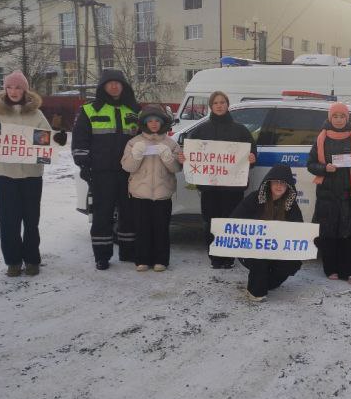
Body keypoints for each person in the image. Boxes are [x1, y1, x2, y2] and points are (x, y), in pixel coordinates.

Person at [0, 70, 67, 276]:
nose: (13, 91)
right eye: (9, 87)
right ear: (5, 89)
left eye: (18, 87)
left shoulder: (36, 114)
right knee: (9, 221)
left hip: (32, 176)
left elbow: (46, 141)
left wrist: (58, 139)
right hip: (6, 175)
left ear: (25, 90)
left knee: (31, 221)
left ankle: (32, 260)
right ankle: (13, 261)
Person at [71, 69, 140, 270]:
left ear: (124, 86)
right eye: (110, 83)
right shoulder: (89, 110)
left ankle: (128, 251)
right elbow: (80, 140)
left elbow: (146, 138)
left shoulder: (134, 110)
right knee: (102, 215)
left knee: (129, 213)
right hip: (102, 173)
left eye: (118, 83)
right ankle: (102, 256)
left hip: (129, 173)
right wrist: (84, 165)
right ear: (103, 86)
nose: (114, 86)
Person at [184, 91, 256, 269]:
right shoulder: (201, 130)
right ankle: (215, 258)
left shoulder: (240, 130)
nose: (219, 105)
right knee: (211, 222)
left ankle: (228, 257)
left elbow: (252, 154)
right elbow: (191, 154)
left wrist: (252, 158)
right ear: (211, 106)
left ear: (227, 105)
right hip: (210, 188)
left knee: (230, 222)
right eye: (215, 103)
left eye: (222, 102)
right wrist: (184, 157)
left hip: (233, 188)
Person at [121, 105, 183, 273]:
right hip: (140, 194)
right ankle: (142, 260)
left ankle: (161, 260)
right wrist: (136, 155)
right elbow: (127, 167)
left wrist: (168, 157)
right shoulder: (133, 142)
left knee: (161, 228)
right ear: (144, 123)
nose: (154, 124)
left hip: (163, 194)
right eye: (150, 121)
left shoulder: (170, 143)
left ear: (163, 123)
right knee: (142, 228)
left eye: (157, 120)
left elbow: (177, 168)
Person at [308, 102, 351, 285]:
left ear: (347, 118)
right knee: (328, 232)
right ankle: (330, 268)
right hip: (327, 193)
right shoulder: (321, 138)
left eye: (342, 116)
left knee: (348, 233)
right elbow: (310, 164)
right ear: (330, 118)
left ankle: (349, 270)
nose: (339, 120)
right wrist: (324, 168)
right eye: (335, 116)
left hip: (347, 193)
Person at [231, 163, 304, 302]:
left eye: (283, 183)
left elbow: (299, 229)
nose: (279, 186)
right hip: (252, 248)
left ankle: (267, 282)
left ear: (288, 186)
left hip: (278, 249)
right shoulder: (254, 198)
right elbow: (235, 220)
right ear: (269, 183)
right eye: (276, 182)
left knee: (292, 263)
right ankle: (255, 292)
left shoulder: (291, 205)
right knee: (259, 259)